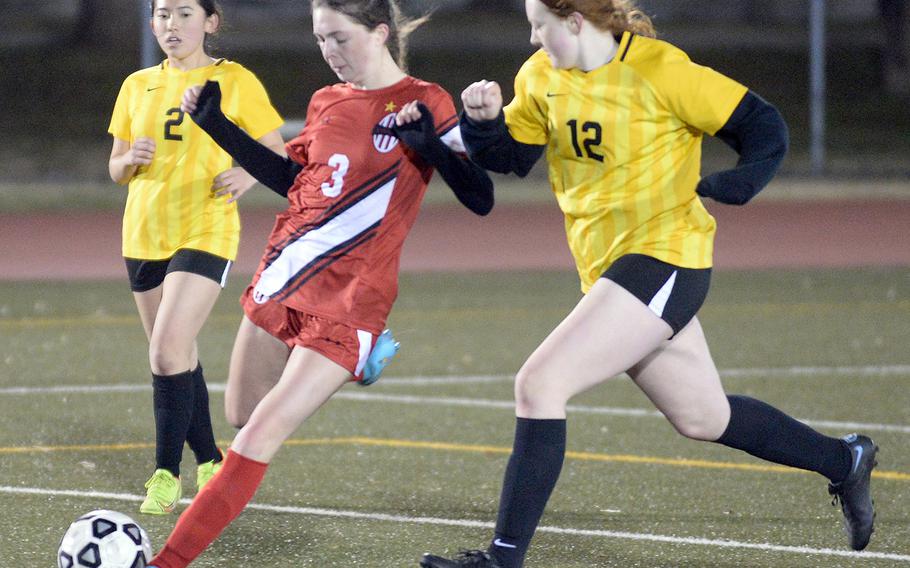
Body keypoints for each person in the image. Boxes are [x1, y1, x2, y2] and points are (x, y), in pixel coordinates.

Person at [419, 1, 879, 566]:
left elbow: (764, 127)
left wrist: (739, 182)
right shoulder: (538, 76)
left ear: (575, 21)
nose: (533, 37)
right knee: (703, 417)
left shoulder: (661, 69)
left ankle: (502, 558)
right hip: (609, 269)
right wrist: (483, 122)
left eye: (540, 24)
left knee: (539, 383)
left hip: (667, 257)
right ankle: (845, 460)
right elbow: (512, 159)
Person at [147, 0, 493, 565]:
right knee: (241, 411)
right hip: (284, 277)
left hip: (352, 299)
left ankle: (167, 561)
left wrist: (429, 146)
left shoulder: (424, 101)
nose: (329, 53)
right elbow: (293, 181)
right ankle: (355, 362)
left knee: (257, 436)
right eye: (320, 41)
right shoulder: (326, 100)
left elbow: (480, 196)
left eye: (339, 38)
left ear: (380, 32)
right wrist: (217, 126)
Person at [107, 0, 286, 515]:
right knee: (177, 355)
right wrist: (128, 160)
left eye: (184, 14)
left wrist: (247, 175)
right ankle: (210, 458)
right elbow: (116, 168)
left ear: (210, 22)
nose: (171, 25)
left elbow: (275, 150)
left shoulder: (234, 80)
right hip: (142, 232)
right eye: (163, 15)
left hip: (206, 225)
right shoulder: (135, 84)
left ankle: (165, 473)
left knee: (166, 350)